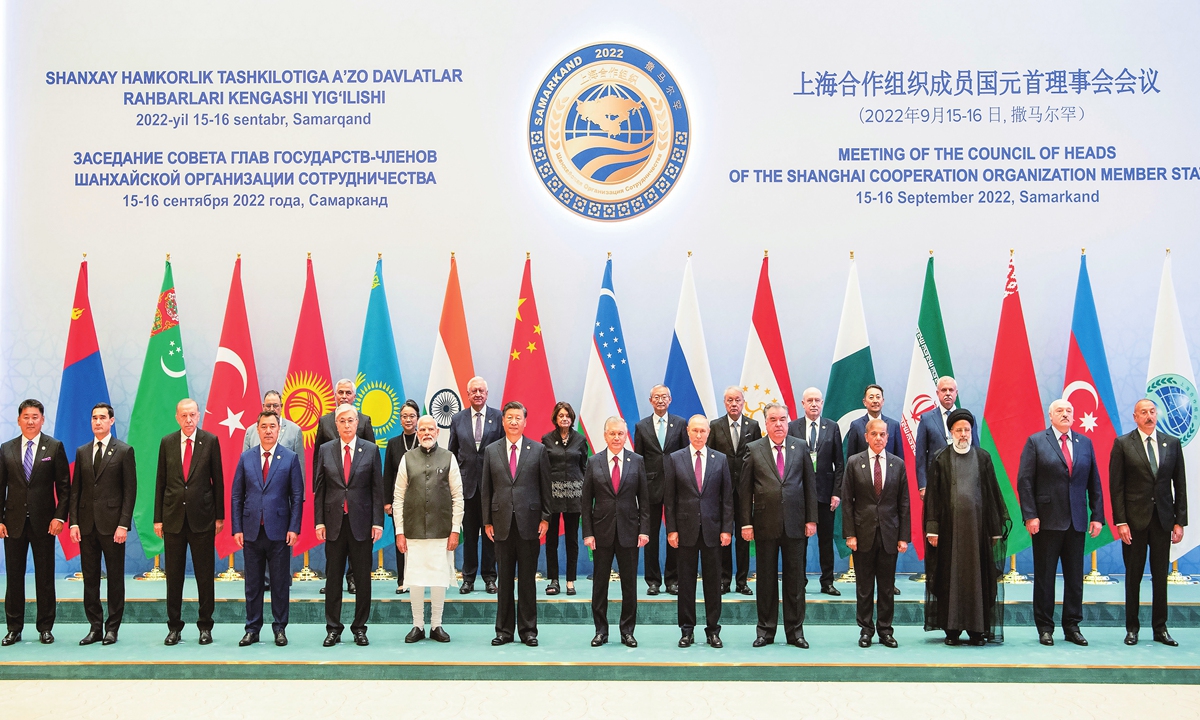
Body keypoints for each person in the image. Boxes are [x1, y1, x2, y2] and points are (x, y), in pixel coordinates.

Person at [1017, 399, 1103, 647]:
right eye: (1060, 411)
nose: (1065, 414)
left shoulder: (1085, 443)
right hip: (1046, 521)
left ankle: (1072, 626)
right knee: (1045, 577)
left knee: (1075, 578)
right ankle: (1045, 627)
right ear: (1050, 416)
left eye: (1069, 411)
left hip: (1076, 522)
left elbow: (1093, 482)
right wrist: (1030, 515)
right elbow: (1025, 481)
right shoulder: (1036, 441)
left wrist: (1097, 516)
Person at [923, 408, 1010, 646]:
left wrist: (994, 529)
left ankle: (976, 630)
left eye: (967, 430)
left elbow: (992, 494)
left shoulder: (983, 457)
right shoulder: (941, 458)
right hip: (949, 533)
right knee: (950, 578)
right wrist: (933, 528)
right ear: (951, 432)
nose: (963, 434)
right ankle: (952, 629)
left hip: (978, 533)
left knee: (978, 578)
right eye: (959, 430)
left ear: (972, 432)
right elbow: (933, 497)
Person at [1111, 398, 1187, 647]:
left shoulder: (1172, 443)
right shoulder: (1123, 444)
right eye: (1143, 412)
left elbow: (1180, 484)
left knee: (1160, 576)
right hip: (1133, 521)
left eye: (1152, 411)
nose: (1149, 416)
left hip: (1163, 521)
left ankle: (1160, 628)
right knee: (1133, 576)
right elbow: (1117, 486)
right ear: (1135, 417)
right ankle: (1132, 628)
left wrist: (1180, 521)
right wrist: (1120, 521)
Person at [739, 402, 817, 648]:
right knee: (766, 580)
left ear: (788, 421)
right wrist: (746, 523)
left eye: (783, 419)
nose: (779, 424)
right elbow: (744, 490)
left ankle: (795, 632)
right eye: (773, 419)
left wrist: (811, 519)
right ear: (765, 423)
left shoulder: (800, 447)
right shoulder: (753, 449)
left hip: (795, 524)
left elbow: (810, 486)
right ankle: (765, 631)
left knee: (795, 581)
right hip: (764, 524)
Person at [231, 411, 304, 648]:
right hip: (251, 530)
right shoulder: (246, 458)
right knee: (252, 584)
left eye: (273, 426)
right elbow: (236, 496)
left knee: (280, 583)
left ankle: (280, 628)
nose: (269, 430)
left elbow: (297, 495)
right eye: (264, 426)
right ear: (257, 429)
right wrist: (237, 528)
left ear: (279, 429)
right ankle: (252, 629)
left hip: (280, 532)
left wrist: (294, 528)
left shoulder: (290, 458)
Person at [0, 399, 70, 646]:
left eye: (35, 417)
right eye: (26, 417)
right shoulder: (6, 449)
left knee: (45, 577)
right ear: (19, 420)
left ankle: (45, 627)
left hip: (45, 523)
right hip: (13, 523)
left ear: (42, 420)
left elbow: (64, 487)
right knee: (14, 577)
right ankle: (14, 628)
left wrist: (59, 516)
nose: (30, 421)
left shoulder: (54, 447)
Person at [155, 398, 224, 647]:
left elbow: (218, 480)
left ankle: (205, 626)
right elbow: (160, 481)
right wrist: (157, 519)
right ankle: (174, 627)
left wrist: (219, 516)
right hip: (173, 520)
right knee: (174, 577)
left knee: (204, 577)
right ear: (177, 417)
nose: (188, 420)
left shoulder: (210, 441)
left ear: (198, 416)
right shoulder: (167, 442)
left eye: (192, 415)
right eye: (183, 415)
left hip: (203, 519)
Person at [314, 404, 384, 647]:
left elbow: (377, 488)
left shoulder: (371, 450)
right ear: (336, 424)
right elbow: (319, 488)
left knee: (363, 578)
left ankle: (359, 628)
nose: (346, 425)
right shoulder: (325, 450)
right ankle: (333, 628)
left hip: (362, 523)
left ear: (358, 423)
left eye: (350, 420)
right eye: (342, 421)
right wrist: (319, 521)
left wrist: (378, 522)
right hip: (333, 522)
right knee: (333, 578)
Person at [481, 401, 550, 647]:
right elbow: (486, 489)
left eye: (518, 418)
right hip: (500, 524)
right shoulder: (491, 451)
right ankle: (503, 631)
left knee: (528, 580)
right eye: (509, 417)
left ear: (525, 421)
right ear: (503, 421)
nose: (513, 422)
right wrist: (487, 521)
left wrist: (545, 517)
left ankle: (529, 630)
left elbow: (545, 488)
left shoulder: (538, 450)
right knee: (505, 579)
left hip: (530, 523)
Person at [69, 403, 136, 646]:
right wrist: (73, 522)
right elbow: (76, 490)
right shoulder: (82, 451)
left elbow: (130, 492)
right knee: (90, 578)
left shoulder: (124, 451)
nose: (98, 422)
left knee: (115, 578)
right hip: (86, 526)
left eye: (102, 418)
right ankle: (95, 627)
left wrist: (123, 524)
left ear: (112, 421)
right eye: (94, 418)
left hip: (113, 527)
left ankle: (112, 627)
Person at [665, 416, 733, 648]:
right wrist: (672, 529)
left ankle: (713, 630)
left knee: (713, 583)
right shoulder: (675, 459)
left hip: (714, 531)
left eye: (703, 431)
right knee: (685, 583)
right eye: (694, 430)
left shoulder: (720, 459)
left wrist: (726, 529)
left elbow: (727, 498)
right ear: (687, 431)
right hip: (685, 531)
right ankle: (686, 630)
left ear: (708, 433)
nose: (698, 435)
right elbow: (670, 498)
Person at [394, 415, 464, 644]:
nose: (426, 433)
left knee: (438, 577)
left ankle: (436, 625)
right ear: (417, 431)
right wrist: (399, 531)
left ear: (437, 432)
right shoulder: (407, 458)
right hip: (412, 530)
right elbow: (398, 497)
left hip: (441, 530)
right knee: (414, 578)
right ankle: (417, 625)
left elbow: (458, 496)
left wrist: (455, 529)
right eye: (422, 429)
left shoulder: (449, 458)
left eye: (430, 429)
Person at [581, 417, 649, 647]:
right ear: (605, 435)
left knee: (629, 585)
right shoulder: (594, 462)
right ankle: (601, 631)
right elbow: (585, 501)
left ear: (626, 434)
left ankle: (627, 631)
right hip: (601, 533)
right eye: (612, 433)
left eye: (620, 433)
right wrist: (588, 533)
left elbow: (645, 500)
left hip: (630, 532)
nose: (617, 437)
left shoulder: (637, 461)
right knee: (600, 585)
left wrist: (645, 530)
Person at [842, 418, 909, 648]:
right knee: (864, 586)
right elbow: (848, 502)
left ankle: (885, 630)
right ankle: (865, 630)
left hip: (890, 534)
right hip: (862, 534)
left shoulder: (898, 464)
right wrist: (850, 534)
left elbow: (904, 503)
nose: (879, 438)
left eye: (883, 434)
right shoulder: (853, 462)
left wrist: (903, 536)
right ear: (866, 436)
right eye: (874, 434)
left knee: (887, 586)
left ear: (888, 437)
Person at [313, 379, 375, 596]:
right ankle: (334, 582)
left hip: (358, 503)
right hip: (333, 502)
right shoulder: (325, 421)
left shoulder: (365, 421)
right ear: (335, 394)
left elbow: (371, 462)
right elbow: (317, 461)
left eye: (348, 392)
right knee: (334, 557)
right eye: (340, 392)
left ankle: (353, 579)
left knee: (358, 556)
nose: (344, 395)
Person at [447, 376, 503, 594]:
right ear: (467, 394)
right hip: (466, 486)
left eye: (481, 390)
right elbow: (452, 453)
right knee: (469, 536)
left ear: (487, 393)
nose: (478, 394)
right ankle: (468, 578)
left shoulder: (498, 417)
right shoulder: (458, 419)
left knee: (491, 535)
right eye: (474, 391)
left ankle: (490, 577)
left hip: (493, 487)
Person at [788, 387, 845, 596]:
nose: (814, 404)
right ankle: (798, 581)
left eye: (817, 400)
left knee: (825, 541)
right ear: (802, 404)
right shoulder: (792, 427)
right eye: (810, 400)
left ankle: (827, 582)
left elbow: (839, 463)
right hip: (798, 495)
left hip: (825, 494)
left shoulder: (832, 427)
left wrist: (836, 492)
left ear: (822, 404)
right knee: (798, 542)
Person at [633, 385, 687, 595]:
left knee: (675, 533)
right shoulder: (641, 426)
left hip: (676, 487)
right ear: (650, 400)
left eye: (664, 396)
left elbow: (684, 455)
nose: (661, 400)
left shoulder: (681, 423)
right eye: (657, 397)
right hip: (650, 487)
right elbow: (638, 460)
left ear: (670, 399)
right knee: (650, 534)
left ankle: (673, 579)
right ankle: (653, 581)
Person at [707, 386, 760, 595]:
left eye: (737, 400)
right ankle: (724, 580)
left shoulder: (753, 426)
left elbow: (758, 458)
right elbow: (711, 458)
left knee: (744, 536)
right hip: (721, 493)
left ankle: (742, 581)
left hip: (746, 492)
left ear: (743, 402)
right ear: (724, 403)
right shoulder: (715, 425)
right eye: (729, 400)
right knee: (724, 536)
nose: (734, 404)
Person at [541, 401, 588, 596]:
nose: (564, 419)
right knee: (552, 540)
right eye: (561, 415)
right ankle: (553, 580)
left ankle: (570, 581)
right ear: (555, 418)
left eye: (567, 415)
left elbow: (585, 468)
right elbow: (542, 469)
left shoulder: (580, 440)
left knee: (571, 541)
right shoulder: (546, 440)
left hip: (575, 497)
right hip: (552, 497)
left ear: (572, 418)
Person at [914, 377, 978, 497]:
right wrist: (923, 485)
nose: (948, 393)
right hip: (936, 480)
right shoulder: (926, 419)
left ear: (956, 393)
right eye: (944, 390)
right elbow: (921, 455)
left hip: (964, 478)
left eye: (951, 390)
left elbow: (976, 450)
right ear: (937, 393)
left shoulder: (968, 419)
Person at [384, 399, 421, 595]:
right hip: (399, 502)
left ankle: (419, 579)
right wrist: (387, 501)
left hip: (421, 501)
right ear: (400, 420)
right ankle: (402, 579)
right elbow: (387, 473)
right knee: (402, 539)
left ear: (417, 419)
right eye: (404, 416)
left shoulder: (425, 441)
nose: (408, 419)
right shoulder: (393, 443)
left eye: (412, 416)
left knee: (419, 541)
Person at [845, 385, 903, 458]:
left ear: (883, 401)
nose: (875, 401)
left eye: (878, 397)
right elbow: (851, 458)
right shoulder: (856, 425)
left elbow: (899, 458)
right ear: (864, 402)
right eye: (871, 397)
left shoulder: (894, 425)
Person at [243, 390, 305, 458]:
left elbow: (299, 465)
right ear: (263, 407)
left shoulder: (295, 431)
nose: (272, 409)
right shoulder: (251, 431)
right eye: (268, 406)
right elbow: (246, 462)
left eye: (275, 406)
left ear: (281, 406)